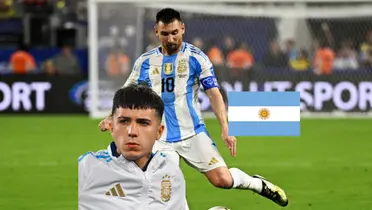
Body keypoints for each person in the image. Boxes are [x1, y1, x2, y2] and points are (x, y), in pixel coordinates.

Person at [99, 8, 288, 208]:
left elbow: (214, 93)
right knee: (167, 188)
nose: (170, 39)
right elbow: (126, 93)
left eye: (174, 33)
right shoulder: (145, 62)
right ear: (156, 31)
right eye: (165, 34)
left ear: (182, 28)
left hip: (193, 133)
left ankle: (257, 184)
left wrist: (225, 128)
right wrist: (111, 116)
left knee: (222, 180)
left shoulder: (196, 58)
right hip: (159, 138)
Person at [79, 84, 187, 210]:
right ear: (111, 126)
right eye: (124, 121)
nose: (132, 131)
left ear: (159, 132)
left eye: (143, 123)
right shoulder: (87, 167)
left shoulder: (170, 170)